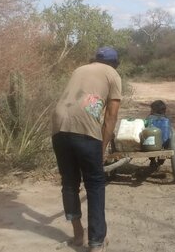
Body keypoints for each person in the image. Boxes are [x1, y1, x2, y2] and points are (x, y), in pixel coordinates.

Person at [52, 46, 122, 252]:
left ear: (94, 60)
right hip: (84, 129)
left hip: (58, 124)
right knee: (95, 184)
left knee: (70, 183)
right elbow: (111, 117)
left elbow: (84, 100)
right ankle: (96, 242)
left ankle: (78, 235)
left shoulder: (79, 69)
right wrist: (102, 148)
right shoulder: (113, 74)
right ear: (115, 63)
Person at [144, 100, 175, 167]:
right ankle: (161, 160)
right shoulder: (166, 119)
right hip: (164, 144)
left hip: (151, 144)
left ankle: (152, 160)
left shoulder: (149, 118)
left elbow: (144, 128)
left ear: (153, 110)